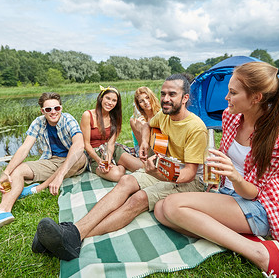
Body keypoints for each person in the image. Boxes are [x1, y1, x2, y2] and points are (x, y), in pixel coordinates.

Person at [31, 74, 208, 261]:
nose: (165, 98)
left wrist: (159, 174)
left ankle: (71, 237)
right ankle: (71, 234)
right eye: (163, 93)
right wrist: (145, 143)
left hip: (189, 181)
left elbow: (189, 174)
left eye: (172, 94)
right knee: (125, 180)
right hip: (163, 170)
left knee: (138, 199)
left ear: (185, 98)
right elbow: (148, 125)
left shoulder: (196, 128)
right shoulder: (164, 116)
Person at [153, 62, 279, 277]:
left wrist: (233, 175)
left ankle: (261, 253)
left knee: (171, 206)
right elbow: (225, 156)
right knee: (161, 211)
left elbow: (254, 193)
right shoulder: (231, 116)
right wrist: (216, 177)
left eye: (233, 93)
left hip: (259, 206)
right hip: (229, 194)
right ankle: (239, 237)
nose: (226, 98)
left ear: (256, 98)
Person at [0, 92, 87, 239]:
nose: (53, 112)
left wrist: (60, 176)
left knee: (79, 157)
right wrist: (6, 172)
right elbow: (24, 148)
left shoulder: (68, 119)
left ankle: (37, 188)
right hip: (51, 160)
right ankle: (2, 212)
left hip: (74, 159)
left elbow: (79, 144)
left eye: (56, 108)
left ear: (61, 108)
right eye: (48, 110)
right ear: (42, 111)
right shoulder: (38, 122)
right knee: (18, 171)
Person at [80, 85, 143, 182]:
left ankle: (119, 163)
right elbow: (86, 144)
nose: (110, 103)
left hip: (111, 150)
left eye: (114, 100)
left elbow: (111, 144)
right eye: (108, 98)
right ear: (101, 98)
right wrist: (100, 161)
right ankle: (121, 167)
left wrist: (108, 160)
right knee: (116, 175)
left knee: (142, 167)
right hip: (94, 155)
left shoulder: (115, 117)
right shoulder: (88, 115)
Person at [130, 86, 161, 155]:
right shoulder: (134, 120)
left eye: (147, 98)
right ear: (138, 105)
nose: (146, 102)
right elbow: (142, 146)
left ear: (152, 97)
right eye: (141, 101)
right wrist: (140, 130)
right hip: (142, 150)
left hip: (158, 148)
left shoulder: (161, 114)